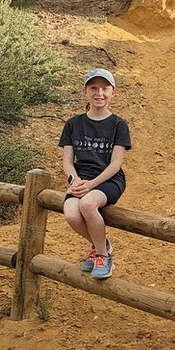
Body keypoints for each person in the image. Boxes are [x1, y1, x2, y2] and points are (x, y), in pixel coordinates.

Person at [60, 68, 131, 280]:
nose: (99, 93)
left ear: (113, 92)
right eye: (94, 88)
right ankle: (103, 244)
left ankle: (102, 256)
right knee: (71, 213)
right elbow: (67, 161)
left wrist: (91, 185)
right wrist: (75, 181)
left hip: (108, 179)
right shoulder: (73, 124)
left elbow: (115, 164)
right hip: (80, 179)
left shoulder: (119, 125)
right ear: (85, 91)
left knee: (87, 204)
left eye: (104, 88)